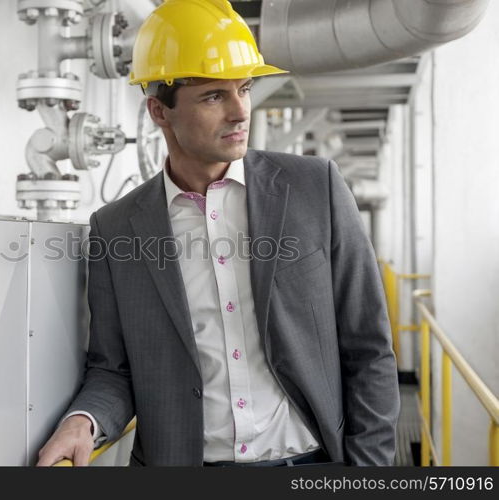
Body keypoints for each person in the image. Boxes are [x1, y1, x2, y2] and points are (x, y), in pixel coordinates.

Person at [37, 0, 400, 467]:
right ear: (158, 111)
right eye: (213, 96)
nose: (239, 112)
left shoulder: (315, 189)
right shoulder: (115, 228)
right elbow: (115, 368)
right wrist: (83, 420)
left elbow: (368, 347)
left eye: (244, 89)